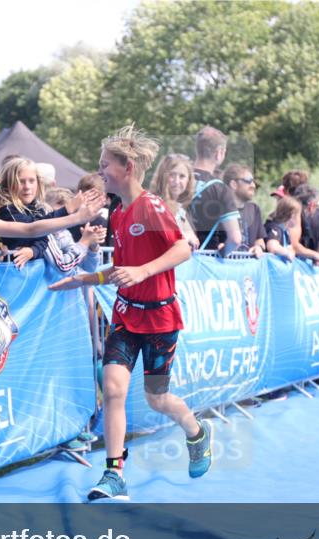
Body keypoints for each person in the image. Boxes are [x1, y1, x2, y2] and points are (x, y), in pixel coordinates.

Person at [86, 125, 212, 501]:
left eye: (105, 165)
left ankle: (196, 432)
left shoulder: (152, 205)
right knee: (112, 389)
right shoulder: (119, 214)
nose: (100, 171)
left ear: (126, 167)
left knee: (157, 397)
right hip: (126, 315)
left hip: (160, 319)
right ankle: (113, 475)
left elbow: (181, 250)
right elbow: (120, 269)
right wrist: (85, 279)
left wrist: (142, 272)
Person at [0, 157, 104, 271]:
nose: (27, 186)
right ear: (9, 184)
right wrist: (69, 211)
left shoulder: (39, 209)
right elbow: (34, 228)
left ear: (38, 183)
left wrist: (34, 251)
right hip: (14, 278)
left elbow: (43, 237)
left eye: (31, 181)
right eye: (21, 181)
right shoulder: (6, 210)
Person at [190, 126, 242, 256]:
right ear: (218, 152)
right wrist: (222, 254)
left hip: (172, 262)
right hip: (203, 261)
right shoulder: (219, 188)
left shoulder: (175, 180)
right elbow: (235, 239)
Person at [149, 153, 200, 250]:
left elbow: (194, 240)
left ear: (188, 180)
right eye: (172, 175)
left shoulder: (179, 209)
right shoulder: (155, 204)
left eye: (182, 176)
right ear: (162, 177)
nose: (176, 181)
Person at [223, 163, 265, 257]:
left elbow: (259, 239)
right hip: (224, 268)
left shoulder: (254, 209)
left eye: (253, 181)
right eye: (248, 181)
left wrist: (258, 247)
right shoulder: (219, 211)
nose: (253, 185)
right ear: (234, 184)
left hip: (248, 269)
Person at [290, 184, 319, 266]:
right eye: (316, 206)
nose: (317, 209)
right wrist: (315, 255)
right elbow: (294, 246)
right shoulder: (294, 214)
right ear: (311, 205)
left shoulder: (296, 212)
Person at [263, 196, 299, 262]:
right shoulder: (274, 227)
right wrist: (287, 253)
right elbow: (272, 246)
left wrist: (291, 251)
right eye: (298, 215)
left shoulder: (285, 231)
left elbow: (290, 248)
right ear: (292, 215)